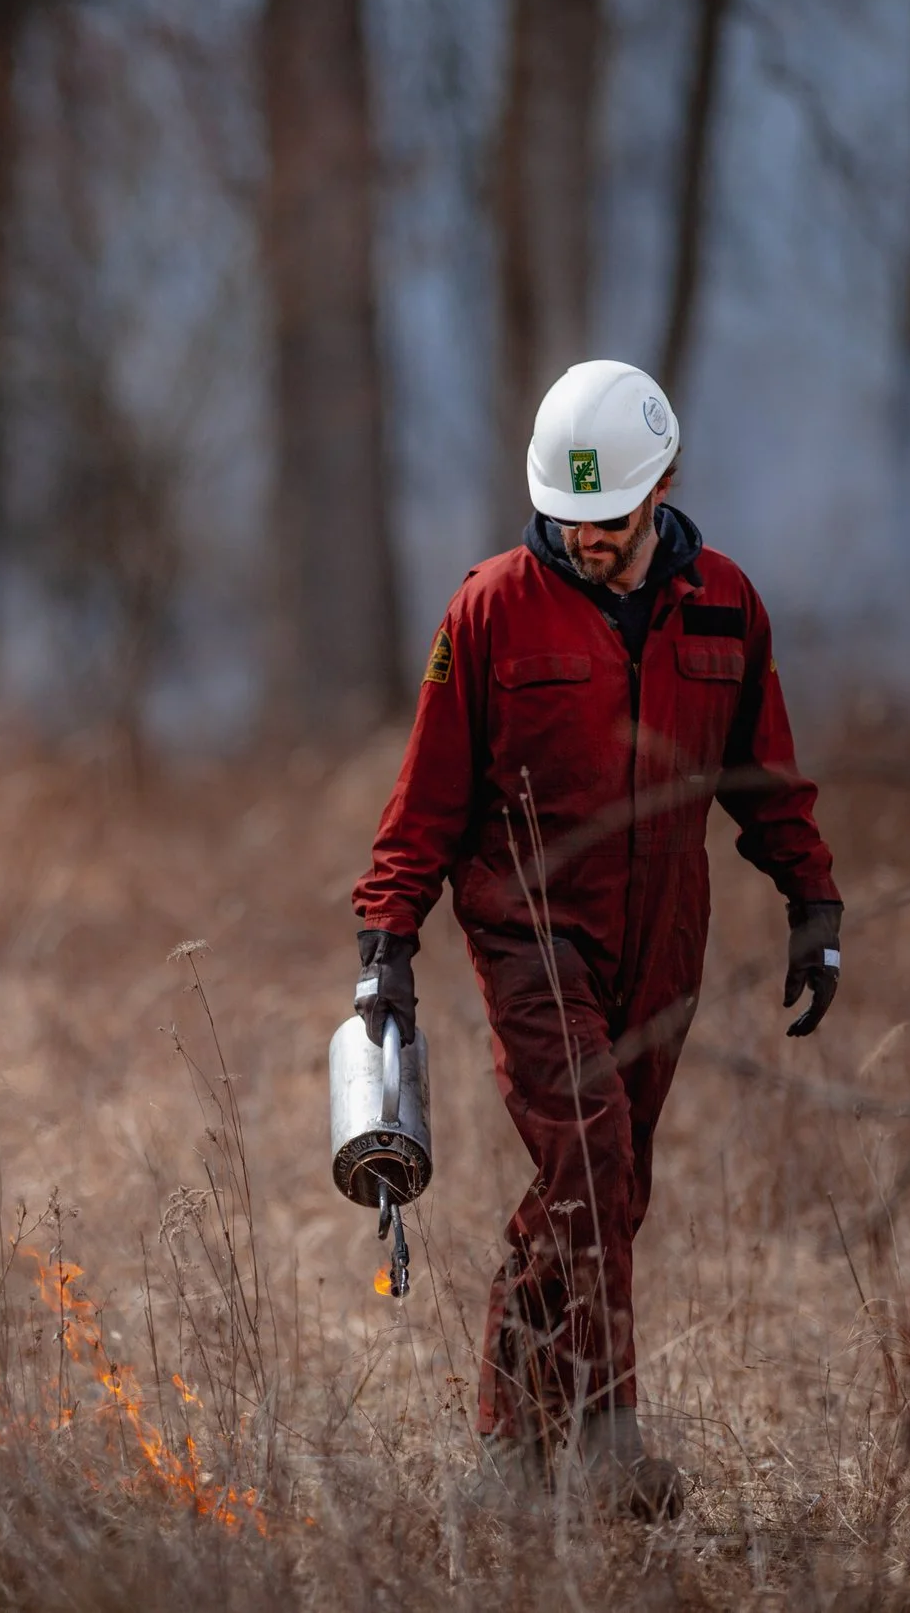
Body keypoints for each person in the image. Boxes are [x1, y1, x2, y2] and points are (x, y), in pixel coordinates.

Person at [350, 360, 842, 1519]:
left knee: (606, 1187)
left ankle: (511, 1453)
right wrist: (385, 939)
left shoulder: (725, 605)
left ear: (662, 485)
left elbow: (763, 776)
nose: (587, 540)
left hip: (664, 932)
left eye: (609, 518)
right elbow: (424, 800)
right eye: (568, 518)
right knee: (589, 1151)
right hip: (527, 927)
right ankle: (607, 1444)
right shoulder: (487, 610)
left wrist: (812, 903)